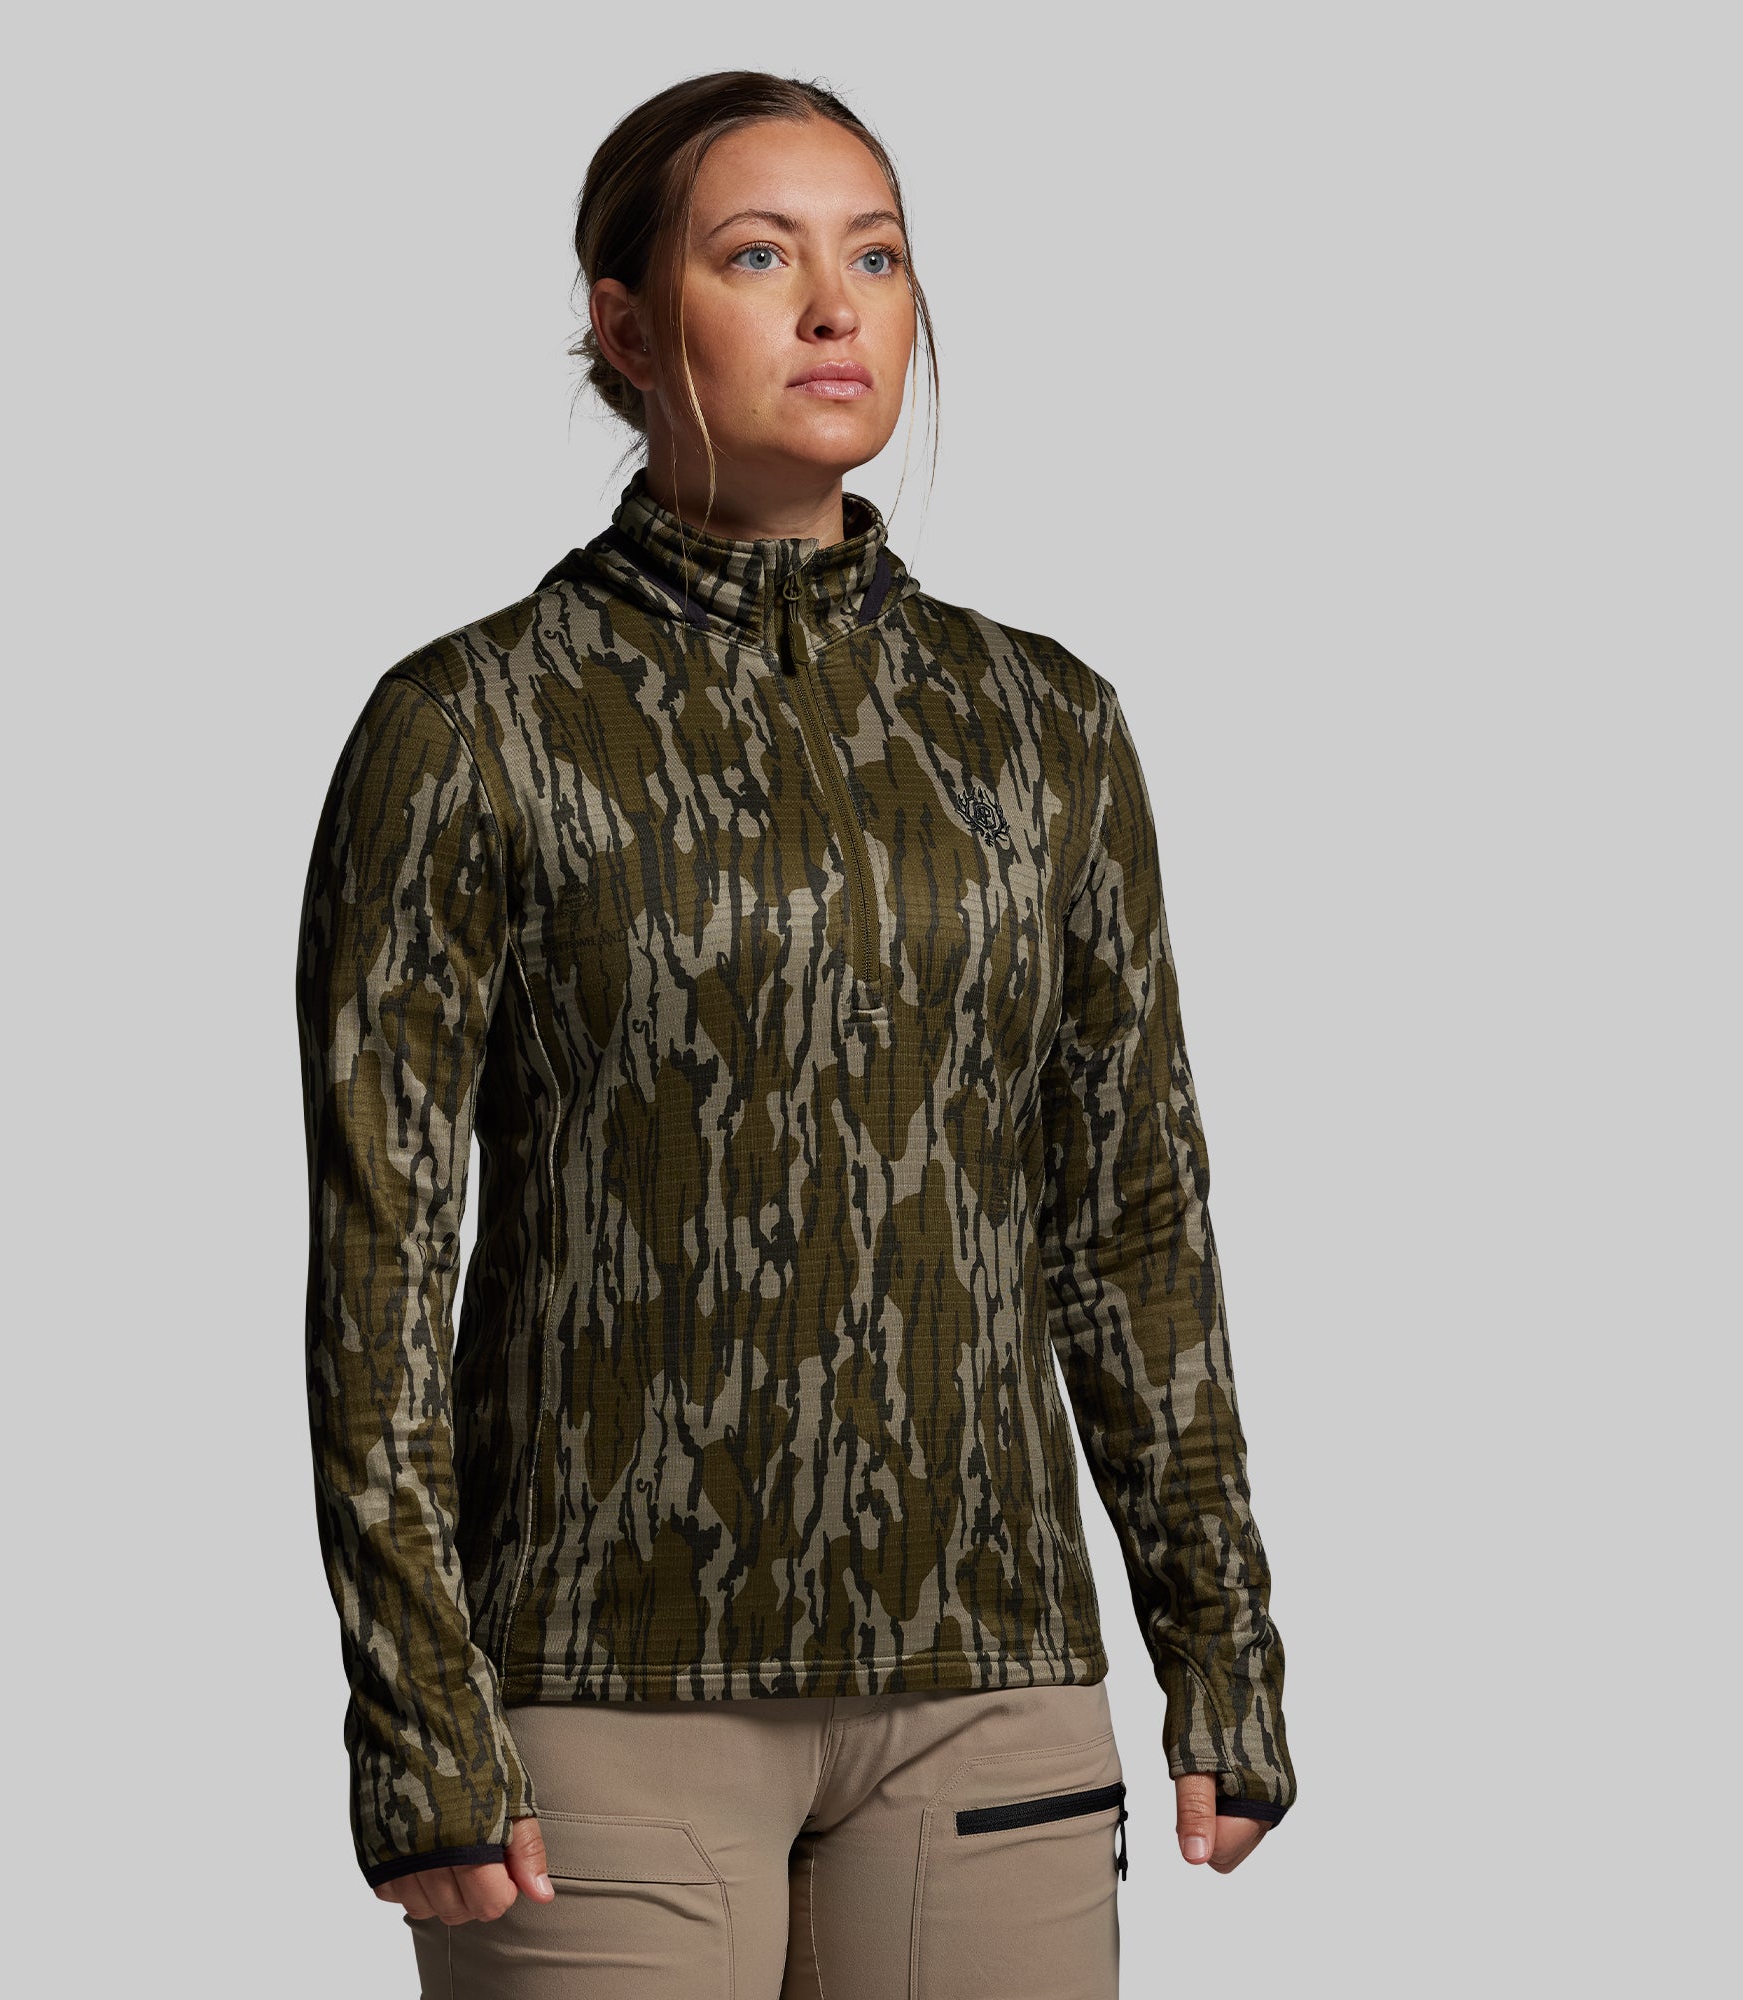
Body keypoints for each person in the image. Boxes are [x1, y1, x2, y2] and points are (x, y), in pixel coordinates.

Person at [294, 69, 1295, 1999]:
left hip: (992, 1693)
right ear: (624, 324)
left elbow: (1130, 1226)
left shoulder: (1045, 727)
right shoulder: (470, 727)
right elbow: (381, 1265)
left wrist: (1221, 1639)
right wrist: (417, 1708)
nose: (838, 309)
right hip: (594, 1699)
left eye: (879, 257)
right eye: (760, 256)